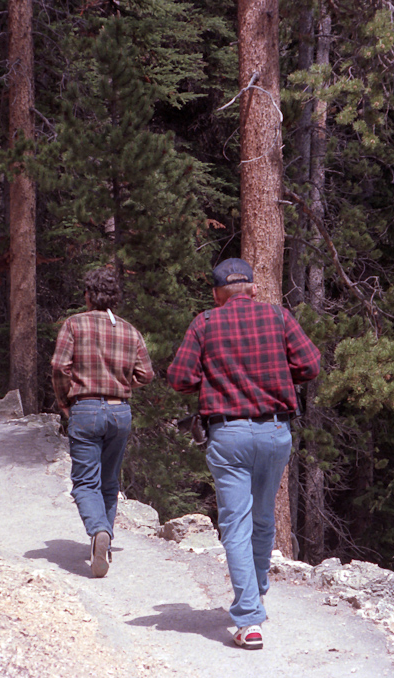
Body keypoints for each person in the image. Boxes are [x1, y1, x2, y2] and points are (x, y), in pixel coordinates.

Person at [167, 257, 321, 649]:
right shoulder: (279, 317)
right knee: (264, 517)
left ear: (217, 294)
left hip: (228, 434)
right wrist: (281, 375)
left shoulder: (204, 322)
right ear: (252, 288)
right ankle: (257, 593)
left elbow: (180, 378)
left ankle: (249, 619)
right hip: (274, 430)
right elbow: (310, 364)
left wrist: (212, 377)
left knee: (236, 524)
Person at [51, 267, 154, 578]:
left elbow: (59, 366)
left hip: (85, 409)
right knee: (109, 482)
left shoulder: (74, 324)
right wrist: (120, 383)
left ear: (87, 295)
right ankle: (104, 543)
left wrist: (63, 399)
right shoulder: (129, 330)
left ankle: (98, 531)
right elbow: (146, 374)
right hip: (120, 411)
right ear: (115, 297)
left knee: (85, 482)